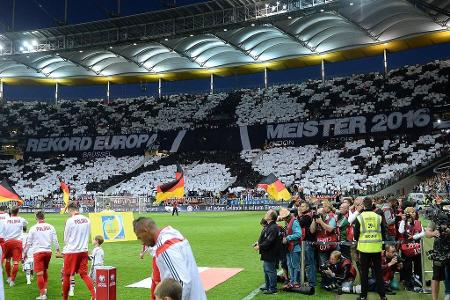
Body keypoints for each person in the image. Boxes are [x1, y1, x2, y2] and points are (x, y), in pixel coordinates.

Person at [133, 217, 206, 300]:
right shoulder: (174, 235)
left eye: (140, 237)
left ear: (146, 231)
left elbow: (182, 283)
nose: (142, 242)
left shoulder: (165, 248)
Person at [354, 197, 387, 300]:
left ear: (363, 205)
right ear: (372, 205)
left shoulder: (359, 217)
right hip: (376, 248)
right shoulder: (378, 217)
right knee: (378, 272)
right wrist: (383, 247)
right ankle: (383, 296)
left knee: (364, 273)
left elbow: (355, 235)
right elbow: (383, 233)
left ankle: (364, 296)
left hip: (364, 249)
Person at [23, 211, 61, 300]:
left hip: (38, 252)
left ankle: (42, 294)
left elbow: (28, 243)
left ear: (36, 218)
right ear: (44, 217)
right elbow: (55, 240)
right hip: (48, 252)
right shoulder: (50, 227)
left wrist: (24, 253)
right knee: (45, 270)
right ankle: (45, 288)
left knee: (39, 274)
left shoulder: (33, 228)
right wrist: (58, 250)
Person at [62, 202, 96, 300]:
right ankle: (94, 295)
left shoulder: (70, 220)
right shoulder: (87, 220)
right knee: (84, 274)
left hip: (72, 251)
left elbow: (65, 239)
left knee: (67, 275)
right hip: (83, 250)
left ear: (70, 209)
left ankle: (65, 298)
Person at [425, 203, 450, 300]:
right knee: (436, 277)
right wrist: (433, 233)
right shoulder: (436, 219)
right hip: (438, 251)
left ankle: (448, 294)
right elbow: (427, 233)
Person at [254, 209, 280, 295]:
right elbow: (265, 238)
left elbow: (269, 241)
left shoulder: (273, 227)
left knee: (270, 270)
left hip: (271, 252)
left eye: (267, 213)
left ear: (271, 217)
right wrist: (258, 243)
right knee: (266, 269)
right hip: (267, 252)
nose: (265, 214)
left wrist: (260, 246)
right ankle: (268, 286)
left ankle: (273, 288)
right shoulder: (269, 226)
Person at [398, 206, 424, 290]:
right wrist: (403, 220)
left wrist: (414, 237)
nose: (413, 213)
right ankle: (408, 283)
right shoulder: (403, 222)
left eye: (414, 212)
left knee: (418, 266)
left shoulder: (418, 222)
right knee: (407, 266)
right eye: (411, 212)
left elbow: (423, 233)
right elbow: (400, 231)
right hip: (406, 249)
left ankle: (418, 283)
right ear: (406, 213)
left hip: (416, 248)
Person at [3, 206, 28, 286]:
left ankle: (9, 277)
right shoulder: (21, 219)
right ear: (18, 212)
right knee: (16, 262)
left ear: (10, 212)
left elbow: (3, 230)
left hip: (7, 242)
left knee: (7, 260)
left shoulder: (5, 220)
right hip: (17, 242)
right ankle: (12, 281)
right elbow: (25, 224)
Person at [280, 208, 302, 289]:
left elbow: (299, 234)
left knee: (295, 265)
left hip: (294, 247)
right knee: (290, 265)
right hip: (290, 247)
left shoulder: (294, 222)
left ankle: (296, 281)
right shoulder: (290, 221)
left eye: (284, 217)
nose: (283, 219)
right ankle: (292, 281)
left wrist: (288, 238)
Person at [298, 202, 316, 292]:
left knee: (309, 263)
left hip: (307, 242)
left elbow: (299, 223)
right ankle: (309, 281)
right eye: (300, 206)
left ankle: (311, 282)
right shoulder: (309, 215)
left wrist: (298, 214)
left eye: (303, 206)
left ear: (308, 207)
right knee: (308, 263)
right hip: (307, 242)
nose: (301, 207)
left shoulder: (307, 216)